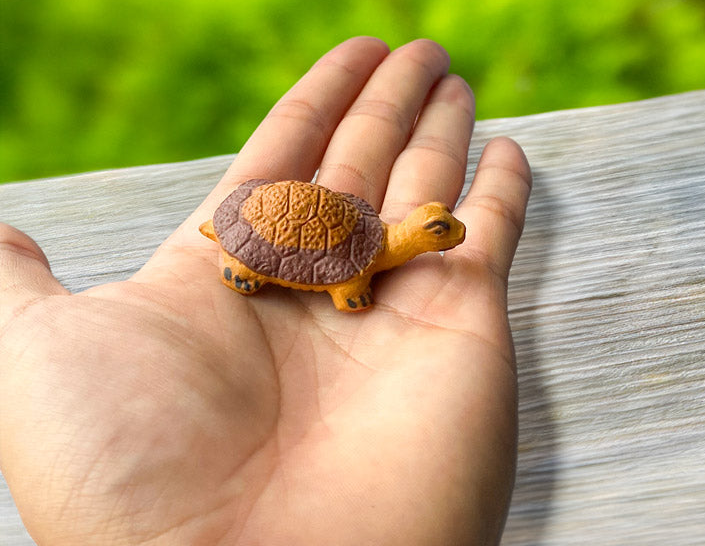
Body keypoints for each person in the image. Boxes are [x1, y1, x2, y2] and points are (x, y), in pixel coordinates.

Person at [0, 38, 532, 546]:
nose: (450, 234)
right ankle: (241, 264)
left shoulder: (377, 242)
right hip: (265, 224)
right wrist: (341, 287)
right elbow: (345, 272)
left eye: (438, 227)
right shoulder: (358, 263)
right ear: (419, 231)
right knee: (337, 283)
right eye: (440, 229)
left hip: (298, 212)